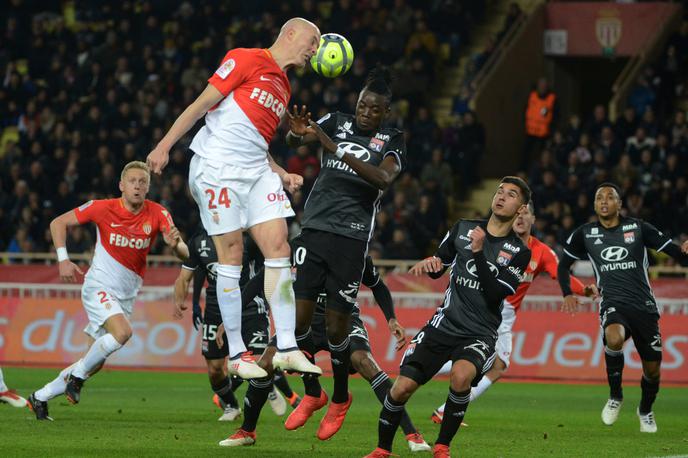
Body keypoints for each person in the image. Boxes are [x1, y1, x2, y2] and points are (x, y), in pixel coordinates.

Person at [146, 17, 322, 379]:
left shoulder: (284, 88)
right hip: (216, 167)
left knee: (279, 248)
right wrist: (164, 145)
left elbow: (255, 142)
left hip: (256, 171)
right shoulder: (245, 58)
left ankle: (287, 347)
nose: (315, 50)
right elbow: (200, 104)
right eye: (313, 41)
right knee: (233, 255)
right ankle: (239, 354)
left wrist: (280, 172)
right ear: (289, 34)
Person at [365, 177, 532, 458]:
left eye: (511, 194)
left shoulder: (519, 252)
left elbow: (494, 294)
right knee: (401, 388)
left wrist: (478, 253)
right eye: (500, 191)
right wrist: (432, 266)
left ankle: (442, 447)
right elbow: (440, 263)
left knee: (461, 376)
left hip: (479, 332)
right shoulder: (463, 228)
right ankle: (382, 449)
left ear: (521, 208)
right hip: (444, 324)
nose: (501, 196)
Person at [284, 65, 406, 440]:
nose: (365, 113)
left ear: (385, 112)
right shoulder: (336, 121)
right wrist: (296, 131)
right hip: (315, 229)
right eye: (362, 106)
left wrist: (334, 148)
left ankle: (339, 398)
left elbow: (383, 179)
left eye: (374, 109)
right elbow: (295, 140)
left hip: (352, 240)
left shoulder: (392, 139)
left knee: (338, 328)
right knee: (300, 324)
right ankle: (315, 393)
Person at [219, 256, 430, 453]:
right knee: (264, 363)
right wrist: (231, 318)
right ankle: (247, 431)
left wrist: (391, 318)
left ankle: (413, 434)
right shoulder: (301, 245)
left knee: (364, 362)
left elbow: (377, 285)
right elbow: (261, 278)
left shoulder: (354, 249)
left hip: (344, 319)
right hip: (303, 320)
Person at [28, 161, 188, 420]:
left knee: (92, 363)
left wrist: (176, 244)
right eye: (132, 181)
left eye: (142, 182)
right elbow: (58, 223)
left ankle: (40, 396)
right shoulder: (102, 208)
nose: (137, 186)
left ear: (148, 187)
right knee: (123, 333)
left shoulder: (159, 213)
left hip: (125, 296)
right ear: (121, 186)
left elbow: (184, 253)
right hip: (99, 287)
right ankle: (75, 379)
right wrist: (62, 259)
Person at [431, 201, 596, 422]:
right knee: (494, 365)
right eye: (517, 213)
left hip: (504, 314)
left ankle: (434, 391)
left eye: (525, 213)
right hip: (486, 307)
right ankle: (437, 396)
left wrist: (583, 290)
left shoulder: (540, 252)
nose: (520, 217)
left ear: (533, 219)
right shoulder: (493, 239)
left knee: (494, 364)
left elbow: (560, 274)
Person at [558, 182, 688, 433]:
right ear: (595, 205)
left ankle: (646, 410)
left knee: (652, 371)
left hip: (644, 307)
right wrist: (566, 293)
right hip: (613, 303)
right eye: (599, 198)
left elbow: (676, 253)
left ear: (620, 204)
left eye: (610, 197)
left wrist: (685, 250)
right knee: (613, 338)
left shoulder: (638, 228)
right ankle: (616, 396)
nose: (604, 201)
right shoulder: (584, 233)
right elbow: (563, 266)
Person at [173, 229, 300, 422]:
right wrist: (181, 300)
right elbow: (187, 276)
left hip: (249, 305)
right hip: (215, 310)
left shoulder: (246, 239)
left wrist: (269, 297)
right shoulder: (199, 241)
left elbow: (268, 265)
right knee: (215, 369)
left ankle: (268, 388)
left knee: (260, 362)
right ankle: (231, 405)